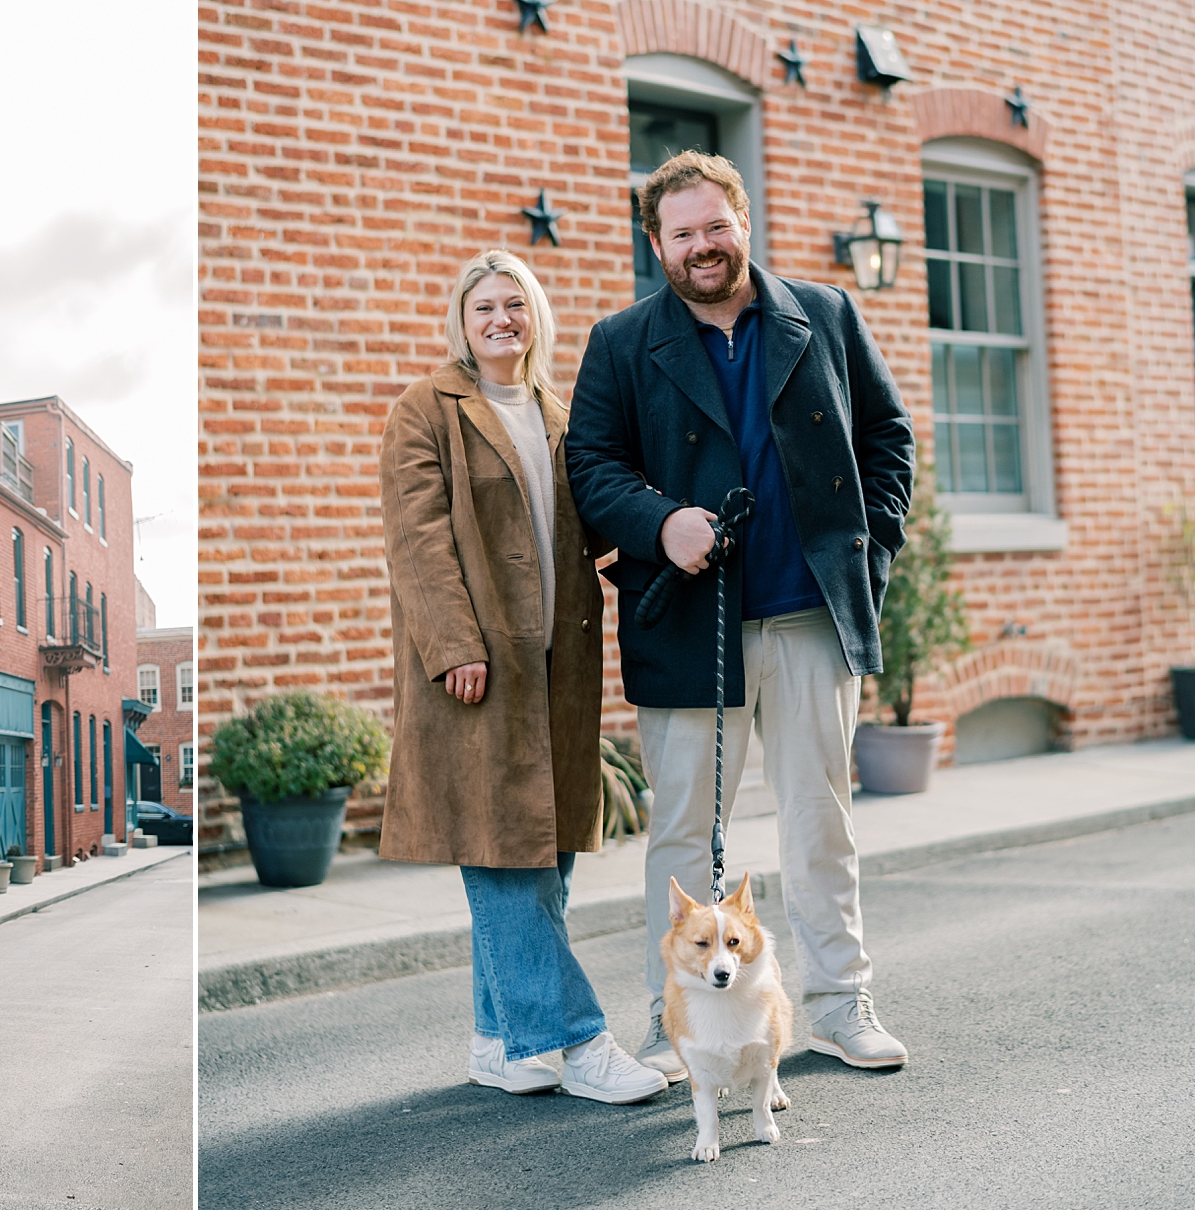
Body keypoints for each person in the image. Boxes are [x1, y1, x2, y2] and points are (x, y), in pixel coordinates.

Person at [565, 150, 917, 1077]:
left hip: (808, 615)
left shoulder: (826, 315)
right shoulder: (620, 341)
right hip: (688, 623)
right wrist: (661, 520)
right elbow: (591, 469)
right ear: (656, 244)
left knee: (820, 824)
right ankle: (671, 1021)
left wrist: (870, 554)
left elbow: (888, 438)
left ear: (743, 223)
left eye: (714, 226)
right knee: (682, 842)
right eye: (681, 233)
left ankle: (841, 1006)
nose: (701, 246)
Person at [377, 248, 668, 1105]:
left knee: (540, 860)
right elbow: (417, 542)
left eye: (516, 305)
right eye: (484, 308)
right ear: (461, 324)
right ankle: (577, 1040)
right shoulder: (425, 409)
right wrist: (455, 645)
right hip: (482, 669)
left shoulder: (556, 410)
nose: (501, 319)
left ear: (534, 317)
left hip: (558, 672)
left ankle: (500, 1040)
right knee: (505, 859)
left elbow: (594, 528)